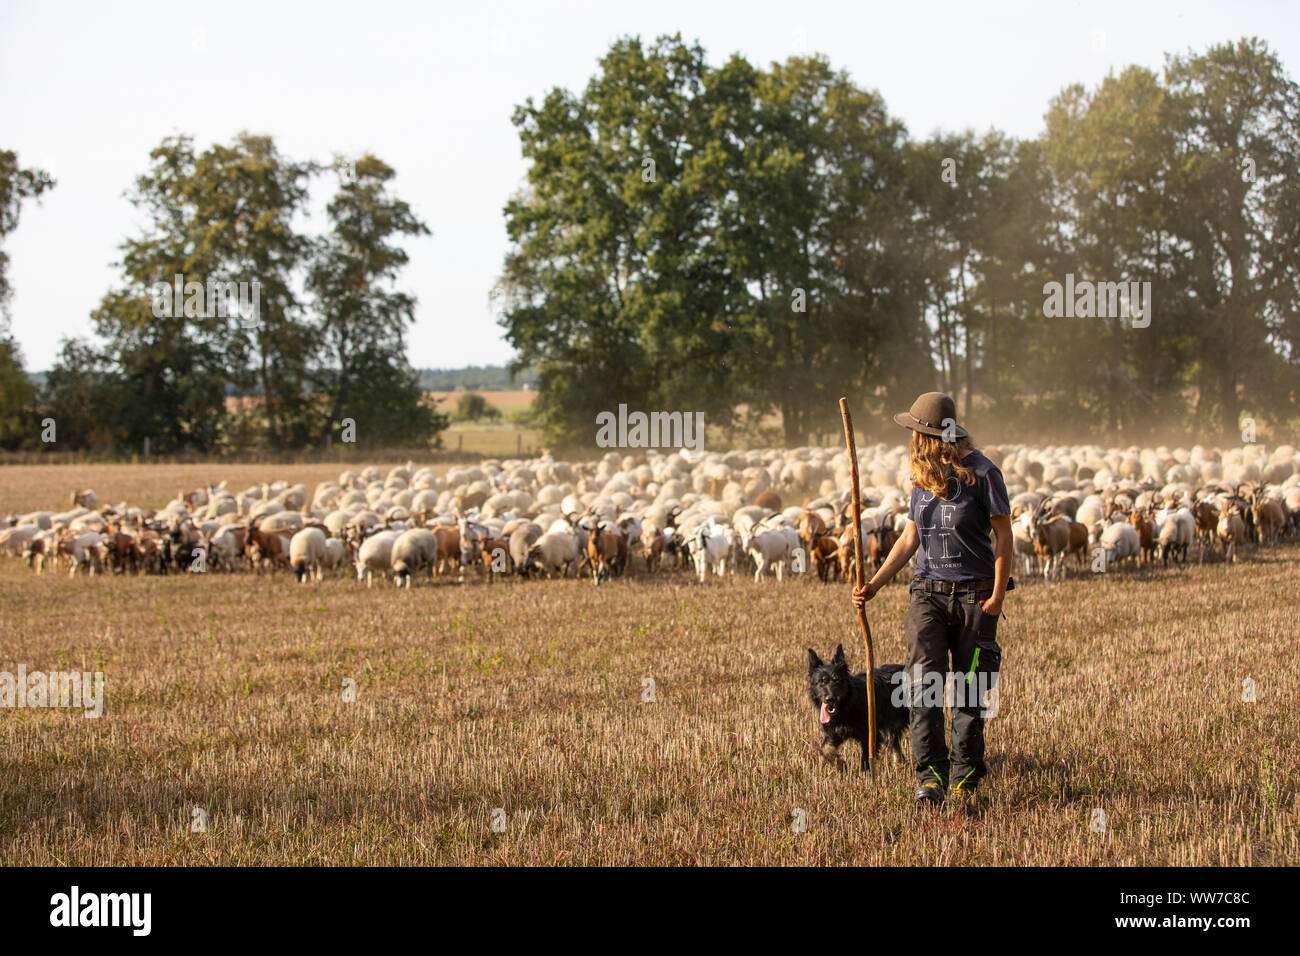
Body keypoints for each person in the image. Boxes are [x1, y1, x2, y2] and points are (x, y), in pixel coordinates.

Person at [852, 392, 1012, 808]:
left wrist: (996, 594)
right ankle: (931, 776)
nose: (912, 441)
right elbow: (910, 539)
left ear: (931, 436)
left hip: (975, 597)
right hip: (927, 593)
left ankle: (965, 775)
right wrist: (875, 583)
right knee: (923, 688)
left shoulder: (983, 474)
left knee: (969, 691)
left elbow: (1004, 536)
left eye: (915, 433)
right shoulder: (922, 477)